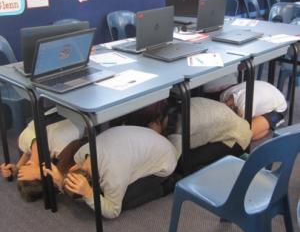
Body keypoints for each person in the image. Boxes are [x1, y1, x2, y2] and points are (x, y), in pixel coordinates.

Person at [44, 125, 179, 219]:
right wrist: (61, 181)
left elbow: (113, 211)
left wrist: (89, 194)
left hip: (165, 162)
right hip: (147, 141)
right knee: (113, 193)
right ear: (73, 167)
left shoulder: (113, 177)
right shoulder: (81, 154)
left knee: (123, 201)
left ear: (97, 186)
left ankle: (167, 186)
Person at [123, 97, 252, 171]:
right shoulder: (175, 106)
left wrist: (155, 138)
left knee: (183, 165)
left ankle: (231, 162)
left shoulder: (178, 130)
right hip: (233, 124)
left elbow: (170, 163)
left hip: (237, 138)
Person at [0, 116, 85, 200]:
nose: (27, 162)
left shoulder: (46, 156)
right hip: (79, 116)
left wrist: (17, 167)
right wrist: (35, 164)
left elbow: (29, 152)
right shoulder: (61, 153)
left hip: (56, 116)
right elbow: (31, 139)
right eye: (28, 166)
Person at [219, 80, 287, 140]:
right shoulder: (224, 95)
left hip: (278, 107)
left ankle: (270, 126)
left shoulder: (244, 106)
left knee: (244, 134)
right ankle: (261, 121)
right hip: (265, 91)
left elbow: (243, 127)